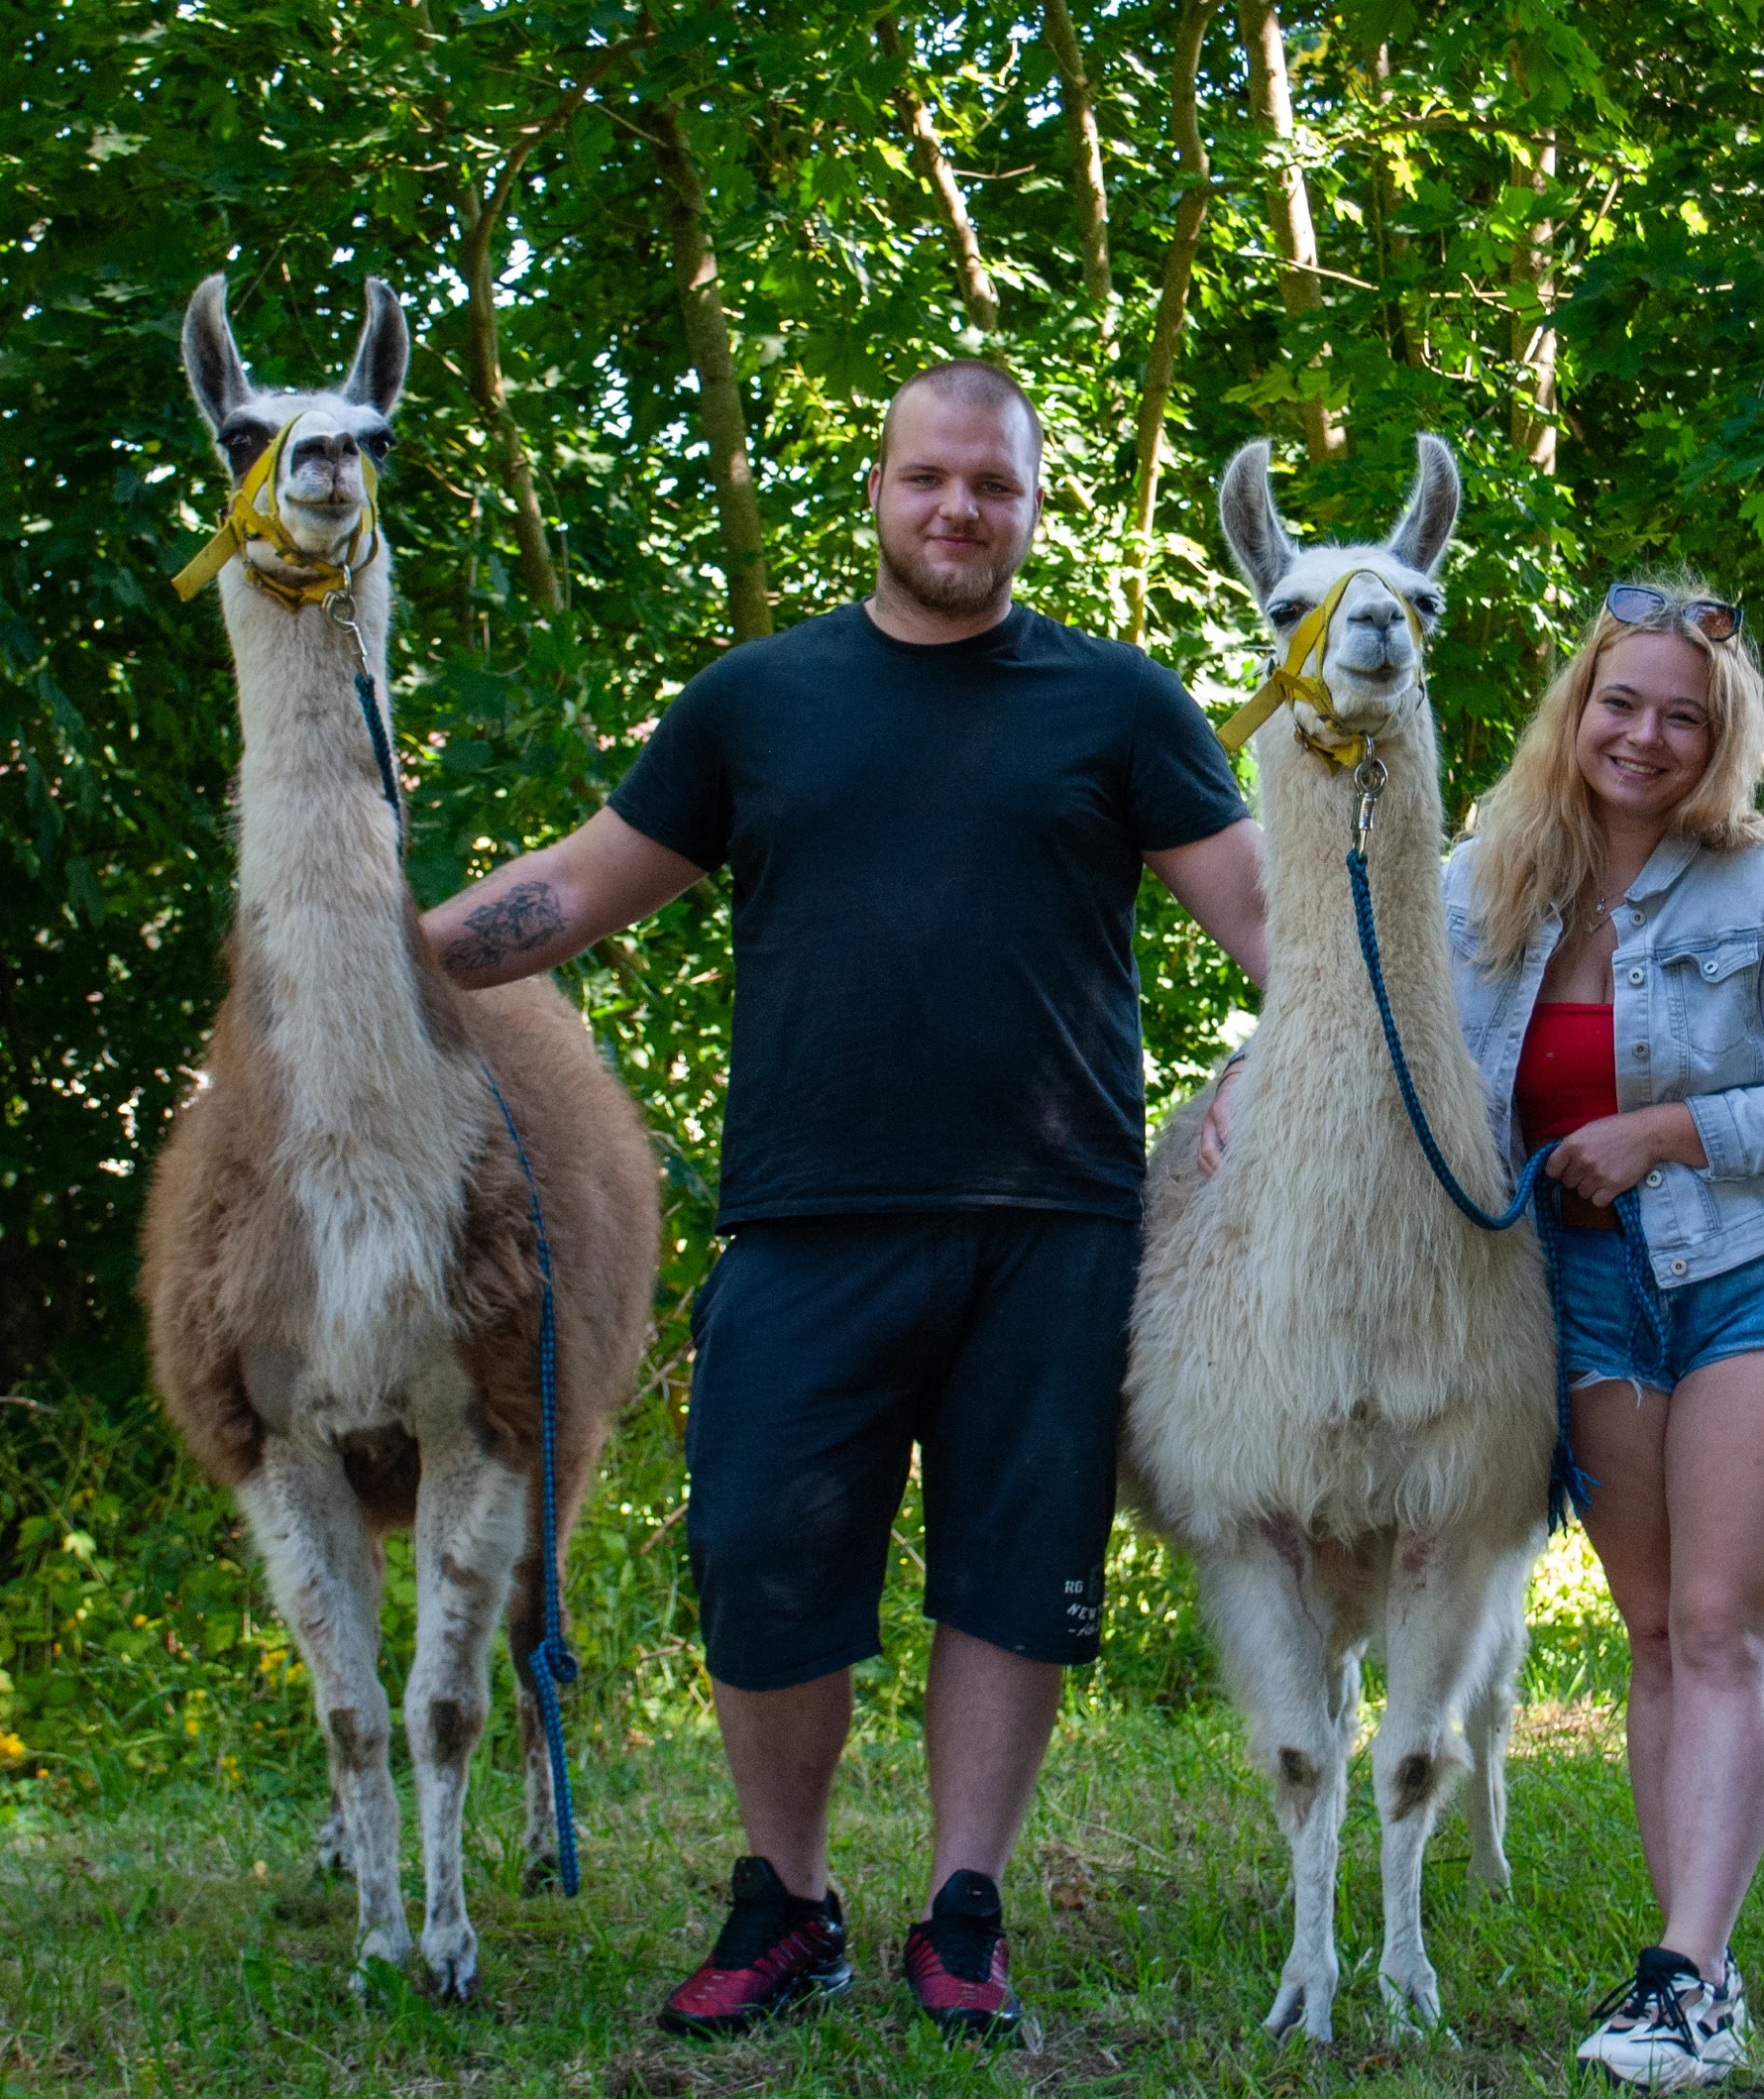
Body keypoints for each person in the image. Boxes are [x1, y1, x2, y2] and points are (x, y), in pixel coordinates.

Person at [422, 360, 1266, 2042]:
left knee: (1011, 1575)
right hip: (806, 1222)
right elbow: (581, 887)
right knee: (758, 1558)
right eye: (929, 477)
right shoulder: (757, 703)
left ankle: (963, 1910)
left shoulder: (1120, 705)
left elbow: (1284, 938)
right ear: (878, 489)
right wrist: (370, 969)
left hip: (1055, 1224)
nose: (959, 508)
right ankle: (789, 1904)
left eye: (995, 487)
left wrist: (1240, 1081)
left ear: (1034, 508)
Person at [1201, 579, 1764, 2088]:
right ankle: (1687, 1959)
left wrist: (1662, 1133)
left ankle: (1692, 1976)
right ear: (1576, 712)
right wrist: (1255, 1079)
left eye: (1682, 718)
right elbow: (1357, 1000)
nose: (1643, 736)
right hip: (1574, 1287)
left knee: (1718, 1628)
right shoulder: (1477, 887)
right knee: (1650, 1636)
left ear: (1720, 743)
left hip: (1755, 1276)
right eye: (1619, 703)